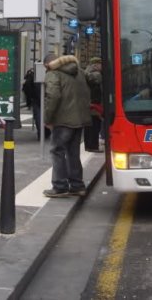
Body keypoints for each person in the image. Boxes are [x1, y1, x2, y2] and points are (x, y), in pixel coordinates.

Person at [43, 53, 91, 198]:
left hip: (62, 120)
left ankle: (60, 186)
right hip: (79, 120)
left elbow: (53, 96)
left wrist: (47, 119)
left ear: (48, 64)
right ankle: (77, 186)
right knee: (73, 152)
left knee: (57, 151)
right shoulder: (80, 72)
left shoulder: (54, 73)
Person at [84, 57, 103, 152]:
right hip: (94, 104)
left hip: (89, 103)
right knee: (94, 126)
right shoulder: (95, 74)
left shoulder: (86, 72)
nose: (102, 66)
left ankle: (89, 145)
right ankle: (93, 146)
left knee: (90, 126)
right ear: (95, 65)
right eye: (100, 64)